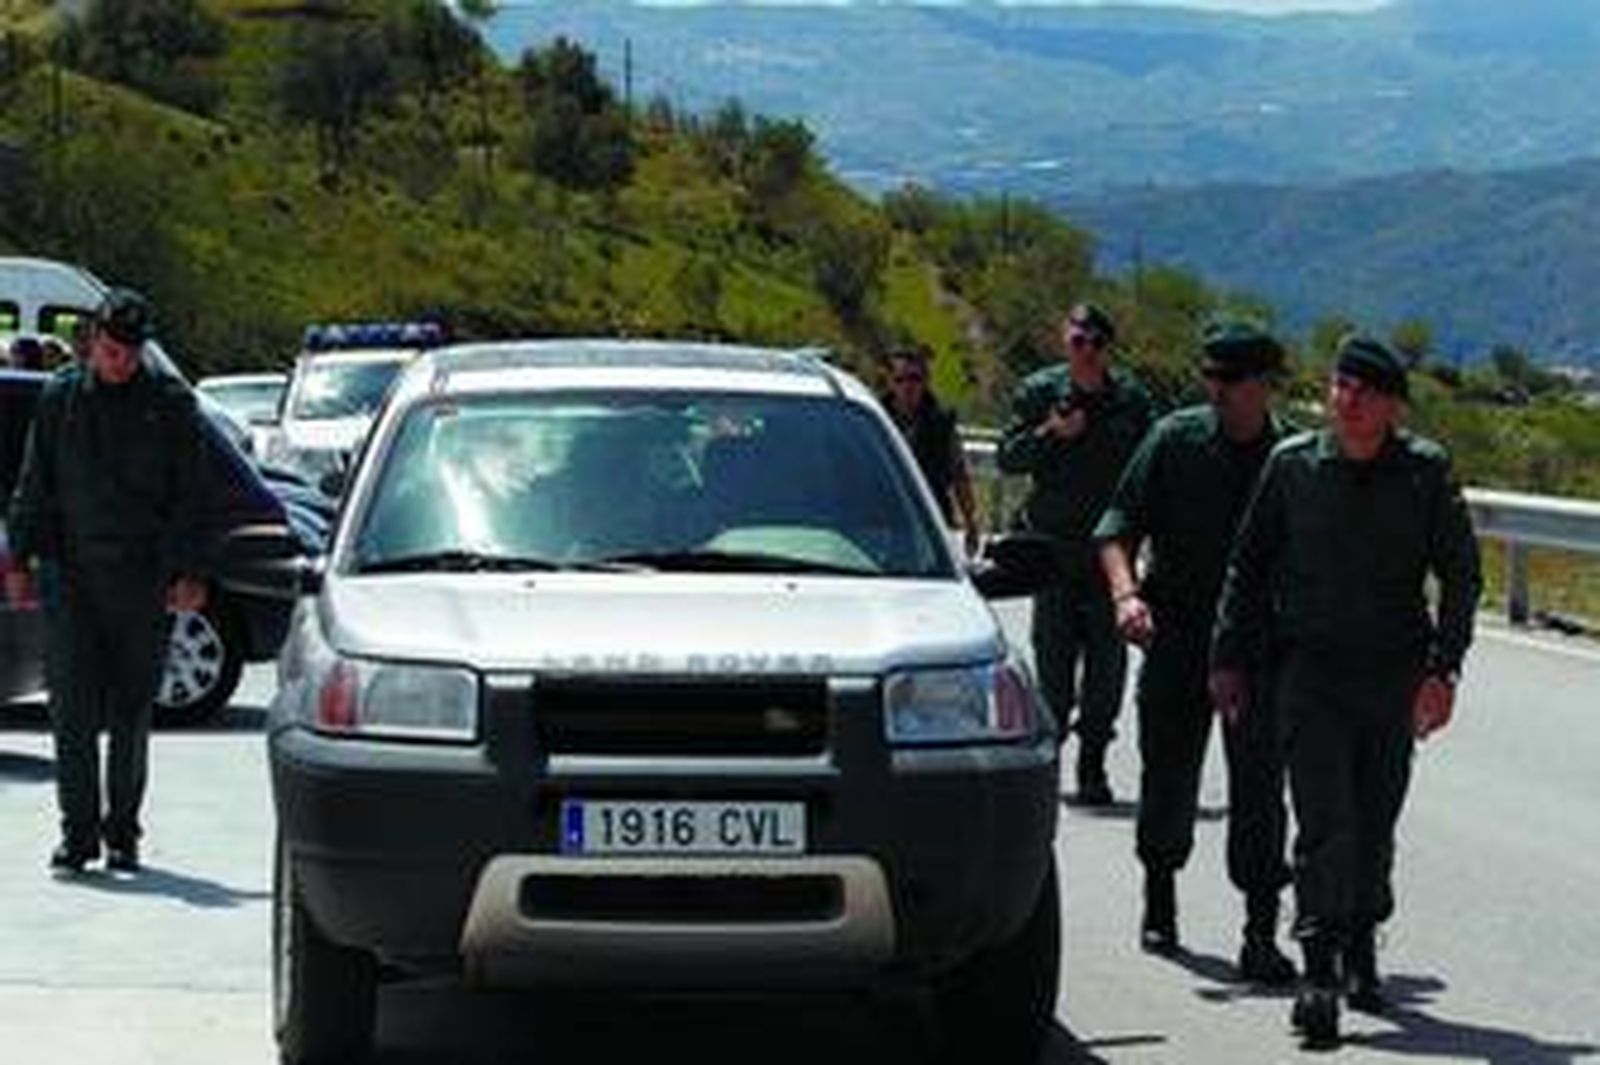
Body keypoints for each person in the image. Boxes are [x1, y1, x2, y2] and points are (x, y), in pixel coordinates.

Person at [1209, 334, 1482, 1047]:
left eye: (1365, 389)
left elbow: (1462, 576)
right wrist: (1228, 657)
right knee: (1325, 820)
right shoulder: (1292, 466)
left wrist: (1443, 670)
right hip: (1311, 674)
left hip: (1392, 677)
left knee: (1374, 822)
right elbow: (1248, 564)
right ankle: (1320, 968)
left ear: (1391, 405)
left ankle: (1362, 940)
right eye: (1340, 385)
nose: (1348, 399)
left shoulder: (1424, 474)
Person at [1094, 319, 1297, 980]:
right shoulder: (1173, 440)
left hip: (1259, 646)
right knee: (1169, 774)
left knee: (1262, 788)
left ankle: (1261, 931)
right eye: (1209, 377)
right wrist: (1127, 595)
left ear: (1264, 385)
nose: (1216, 390)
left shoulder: (1293, 456)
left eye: (1230, 380)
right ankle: (1160, 895)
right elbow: (1116, 527)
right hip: (1178, 633)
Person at [5, 287, 211, 875]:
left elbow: (192, 495)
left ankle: (122, 831)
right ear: (92, 340)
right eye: (110, 348)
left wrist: (190, 570)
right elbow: (34, 483)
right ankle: (78, 834)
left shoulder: (170, 403)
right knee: (70, 710)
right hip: (70, 574)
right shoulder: (60, 397)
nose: (118, 360)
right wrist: (19, 559)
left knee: (129, 711)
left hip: (140, 576)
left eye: (129, 351)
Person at [998, 302, 1155, 804]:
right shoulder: (1041, 393)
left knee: (1107, 670)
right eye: (1077, 341)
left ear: (1108, 349)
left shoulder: (1131, 401)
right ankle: (1048, 766)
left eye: (1096, 344)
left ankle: (1093, 765)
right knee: (1054, 667)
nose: (1086, 352)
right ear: (1064, 341)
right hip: (1054, 552)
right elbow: (1008, 457)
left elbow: (1151, 468)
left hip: (1110, 555)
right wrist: (1050, 432)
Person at [880, 345, 982, 557]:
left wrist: (971, 522)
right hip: (882, 520)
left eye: (915, 379)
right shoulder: (875, 419)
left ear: (926, 381)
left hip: (932, 519)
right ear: (889, 383)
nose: (908, 386)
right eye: (900, 380)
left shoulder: (942, 422)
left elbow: (959, 473)